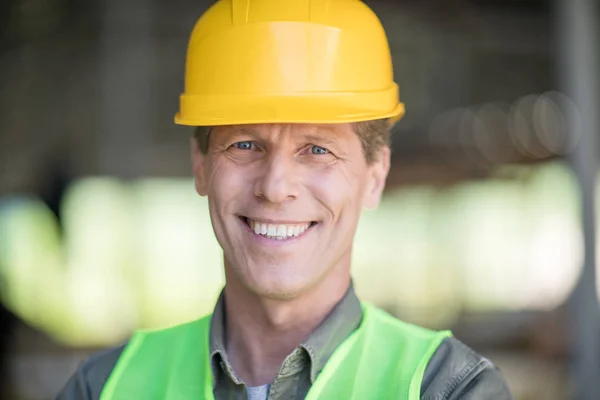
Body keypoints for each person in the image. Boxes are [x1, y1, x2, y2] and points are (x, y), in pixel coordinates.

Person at [57, 0, 513, 398]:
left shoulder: (448, 389)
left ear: (375, 175)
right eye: (244, 145)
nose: (275, 188)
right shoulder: (103, 388)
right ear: (200, 165)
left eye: (317, 150)